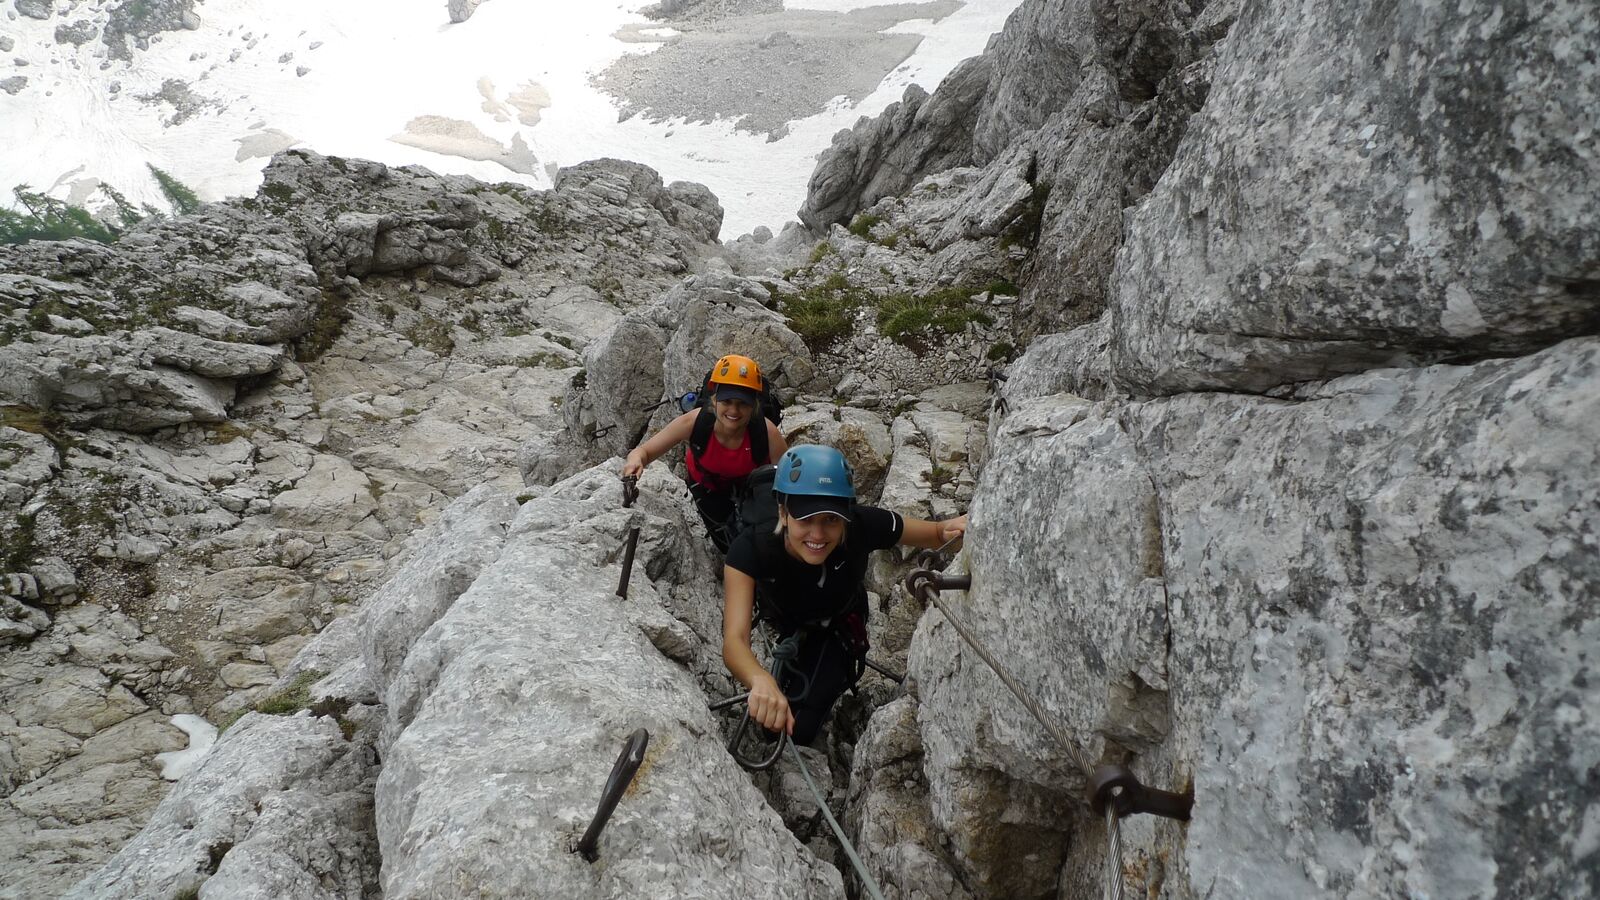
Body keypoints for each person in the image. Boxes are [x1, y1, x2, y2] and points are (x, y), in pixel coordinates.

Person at [722, 444, 967, 745]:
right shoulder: (751, 548)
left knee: (797, 730)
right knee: (774, 726)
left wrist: (952, 531)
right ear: (783, 514)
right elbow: (734, 640)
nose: (818, 534)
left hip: (836, 627)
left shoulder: (861, 525)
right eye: (805, 519)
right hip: (785, 617)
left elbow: (936, 532)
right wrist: (760, 679)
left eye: (830, 520)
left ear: (845, 517)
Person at [622, 354, 788, 552]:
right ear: (715, 400)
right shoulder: (694, 423)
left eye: (743, 403)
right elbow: (644, 452)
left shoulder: (766, 432)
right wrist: (635, 462)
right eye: (727, 401)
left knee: (765, 538)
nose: (734, 411)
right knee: (725, 545)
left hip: (751, 489)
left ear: (754, 406)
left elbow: (787, 481)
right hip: (707, 489)